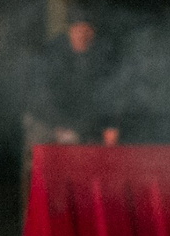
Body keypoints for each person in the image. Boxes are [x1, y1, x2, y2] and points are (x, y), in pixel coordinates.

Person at [27, 12, 120, 146]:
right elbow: (41, 97)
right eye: (77, 30)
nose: (82, 36)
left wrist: (111, 125)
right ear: (70, 31)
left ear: (94, 33)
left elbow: (111, 94)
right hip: (48, 120)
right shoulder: (51, 54)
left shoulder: (103, 56)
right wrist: (63, 127)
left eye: (87, 31)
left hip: (85, 124)